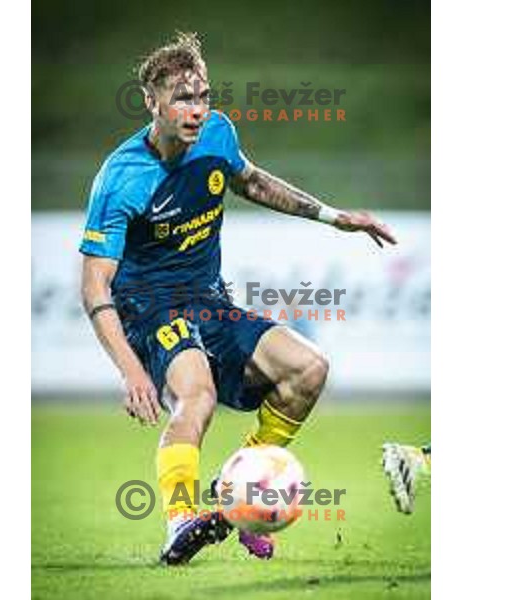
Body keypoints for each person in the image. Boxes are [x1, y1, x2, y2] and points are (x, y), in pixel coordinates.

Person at [79, 31, 397, 565]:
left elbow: (250, 181)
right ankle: (181, 521)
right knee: (196, 395)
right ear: (151, 101)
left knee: (308, 370)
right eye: (182, 97)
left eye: (203, 95)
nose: (197, 109)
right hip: (149, 306)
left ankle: (235, 500)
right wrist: (132, 370)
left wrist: (334, 217)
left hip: (209, 299)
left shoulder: (218, 134)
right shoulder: (121, 178)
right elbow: (94, 284)